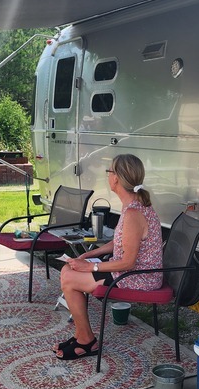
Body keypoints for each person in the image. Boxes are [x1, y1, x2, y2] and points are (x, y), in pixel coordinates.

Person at [56, 154, 163, 360]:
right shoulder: (133, 205)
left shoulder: (133, 213)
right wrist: (89, 254)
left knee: (68, 277)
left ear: (116, 179)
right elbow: (119, 242)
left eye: (109, 171)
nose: (108, 175)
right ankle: (81, 335)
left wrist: (91, 267)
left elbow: (128, 262)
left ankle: (86, 340)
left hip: (138, 278)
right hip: (131, 272)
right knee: (68, 269)